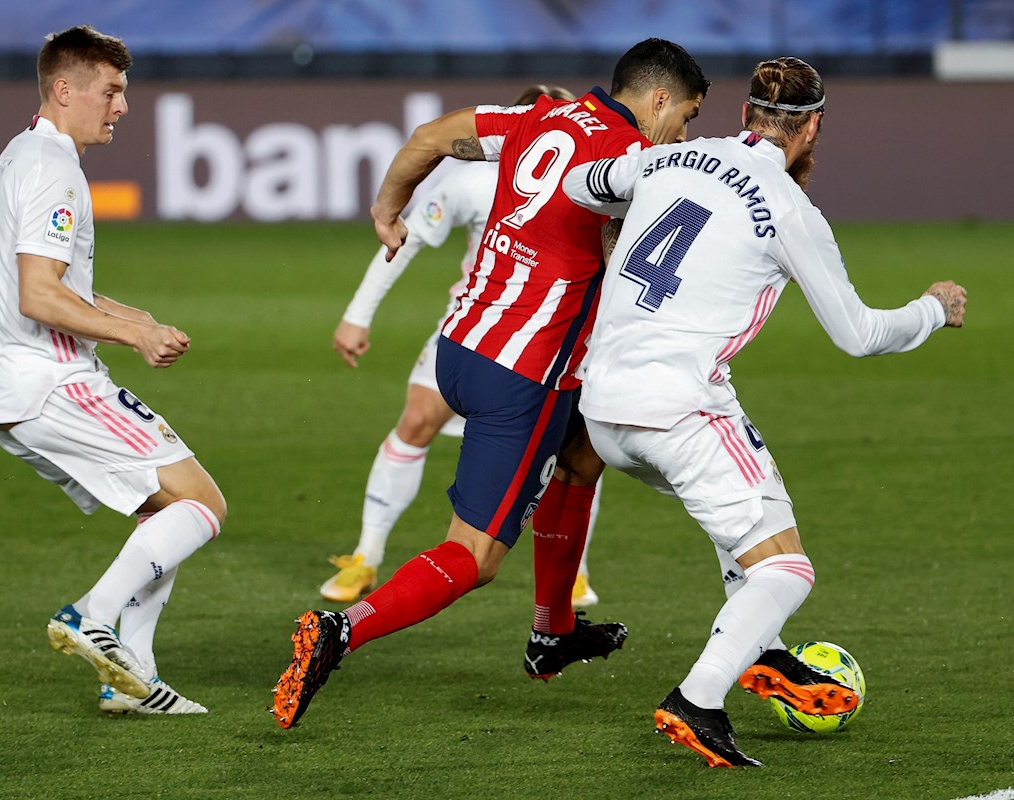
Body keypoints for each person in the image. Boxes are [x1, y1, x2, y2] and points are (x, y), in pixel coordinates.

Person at [271, 39, 709, 729]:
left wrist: (389, 209)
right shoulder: (629, 164)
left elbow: (429, 138)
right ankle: (338, 631)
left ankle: (554, 631)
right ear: (660, 98)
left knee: (584, 453)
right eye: (685, 115)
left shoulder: (539, 119)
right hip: (525, 372)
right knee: (472, 557)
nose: (684, 132)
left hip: (460, 347)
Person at [561, 56, 967, 766]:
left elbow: (581, 183)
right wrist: (934, 309)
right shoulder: (788, 208)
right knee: (786, 570)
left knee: (754, 518)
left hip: (603, 406)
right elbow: (860, 335)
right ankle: (699, 698)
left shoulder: (669, 158)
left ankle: (766, 654)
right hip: (678, 408)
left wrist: (629, 195)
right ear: (810, 128)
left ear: (744, 114)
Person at [0, 25, 226, 715]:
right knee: (201, 503)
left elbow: (56, 283)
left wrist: (135, 320)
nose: (121, 107)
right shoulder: (53, 166)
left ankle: (129, 678)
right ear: (64, 90)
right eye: (110, 92)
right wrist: (131, 338)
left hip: (13, 384)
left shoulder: (21, 154)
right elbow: (40, 295)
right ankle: (91, 616)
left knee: (160, 510)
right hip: (48, 378)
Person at [324, 85, 604, 609]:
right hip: (476, 327)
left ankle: (574, 573)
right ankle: (366, 555)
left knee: (576, 450)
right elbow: (404, 237)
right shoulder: (471, 179)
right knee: (415, 421)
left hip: (553, 339)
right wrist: (357, 315)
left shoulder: (594, 181)